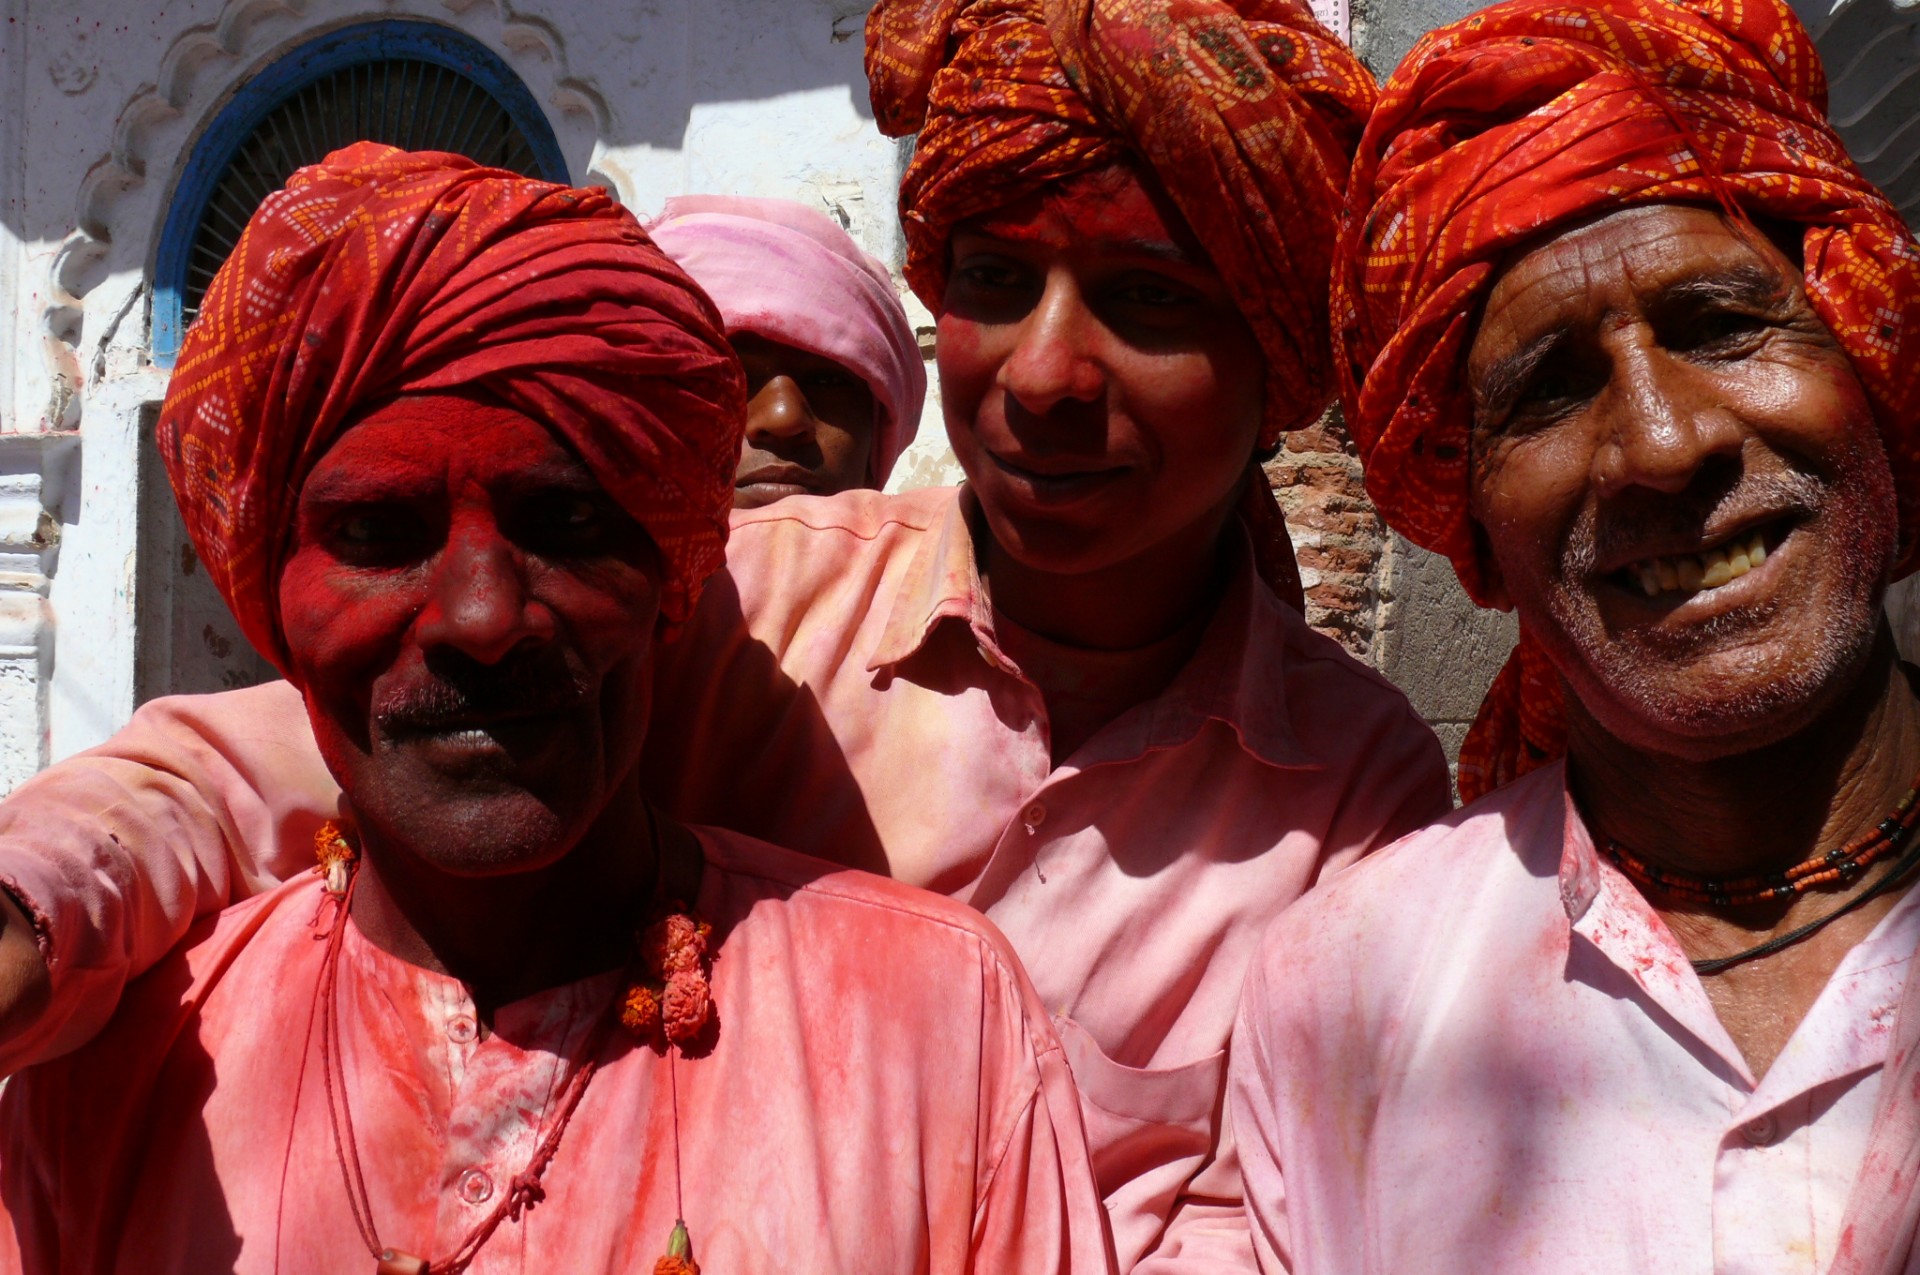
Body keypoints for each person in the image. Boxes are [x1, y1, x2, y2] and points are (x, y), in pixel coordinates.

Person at [0, 3, 1448, 1270]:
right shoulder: (762, 597)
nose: (1047, 376)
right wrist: (38, 899)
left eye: (1147, 303)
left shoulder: (1345, 793)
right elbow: (265, 763)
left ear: (1278, 376)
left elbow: (1272, 1209)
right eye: (995, 285)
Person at [0, 144, 1110, 1274]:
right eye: (380, 535)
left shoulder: (931, 1029)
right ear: (273, 611)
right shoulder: (127, 1072)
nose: (483, 619)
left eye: (566, 524)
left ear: (673, 582)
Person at [1227, 1, 1920, 1270]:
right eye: (1551, 389)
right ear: (1473, 509)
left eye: (1720, 325)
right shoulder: (1346, 994)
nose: (1662, 445)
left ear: (1868, 355)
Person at [647, 195, 926, 508]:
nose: (784, 418)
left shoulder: (951, 555)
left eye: (829, 381)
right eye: (724, 379)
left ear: (877, 437)